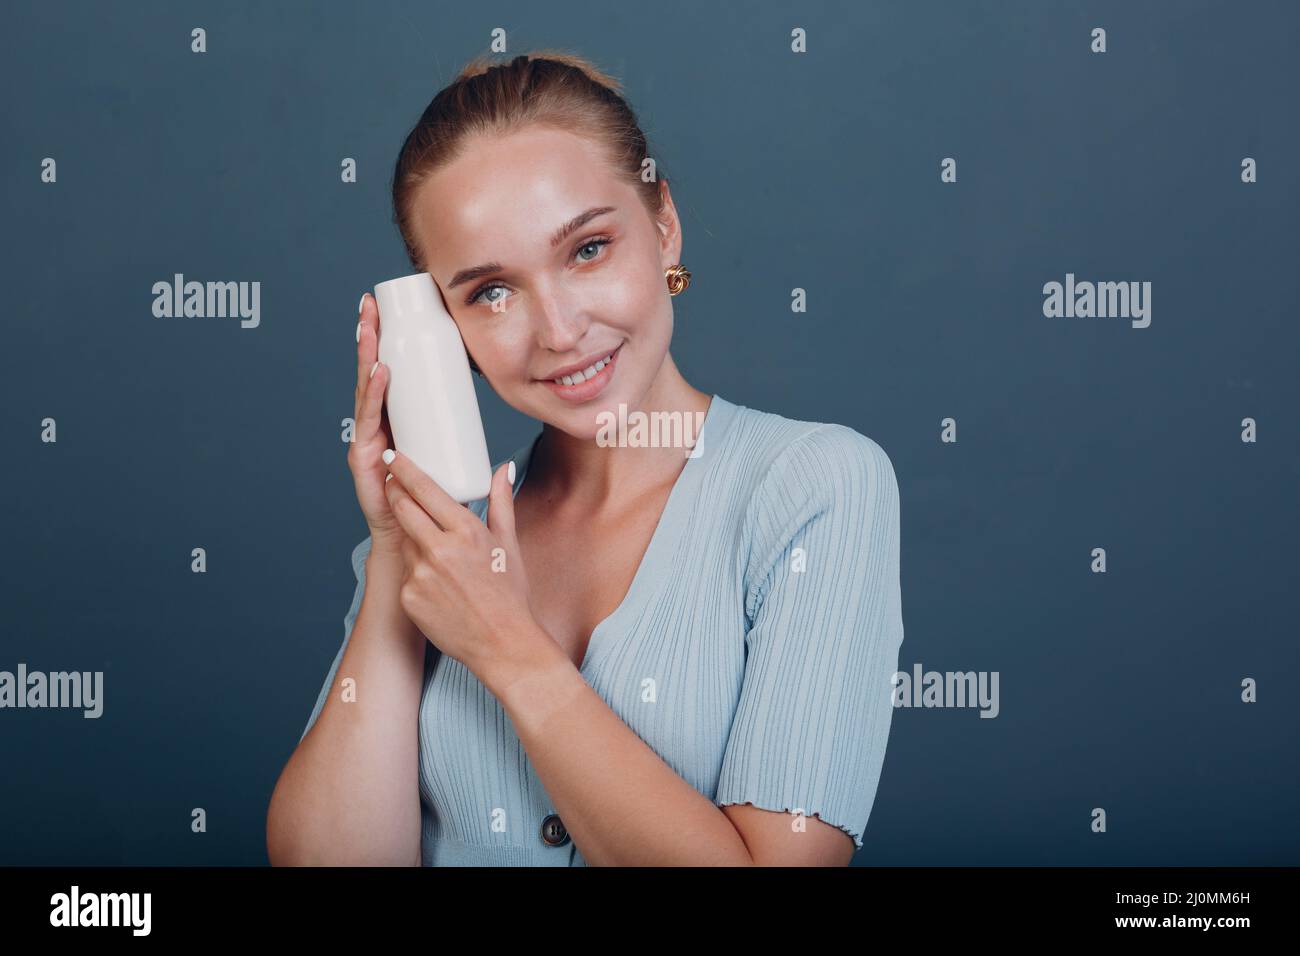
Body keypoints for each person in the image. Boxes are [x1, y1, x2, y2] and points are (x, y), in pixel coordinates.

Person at [266, 50, 904, 867]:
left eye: (588, 249)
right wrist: (398, 551)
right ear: (437, 326)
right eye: (490, 292)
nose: (560, 331)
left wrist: (508, 648)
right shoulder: (439, 542)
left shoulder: (814, 487)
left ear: (663, 227)